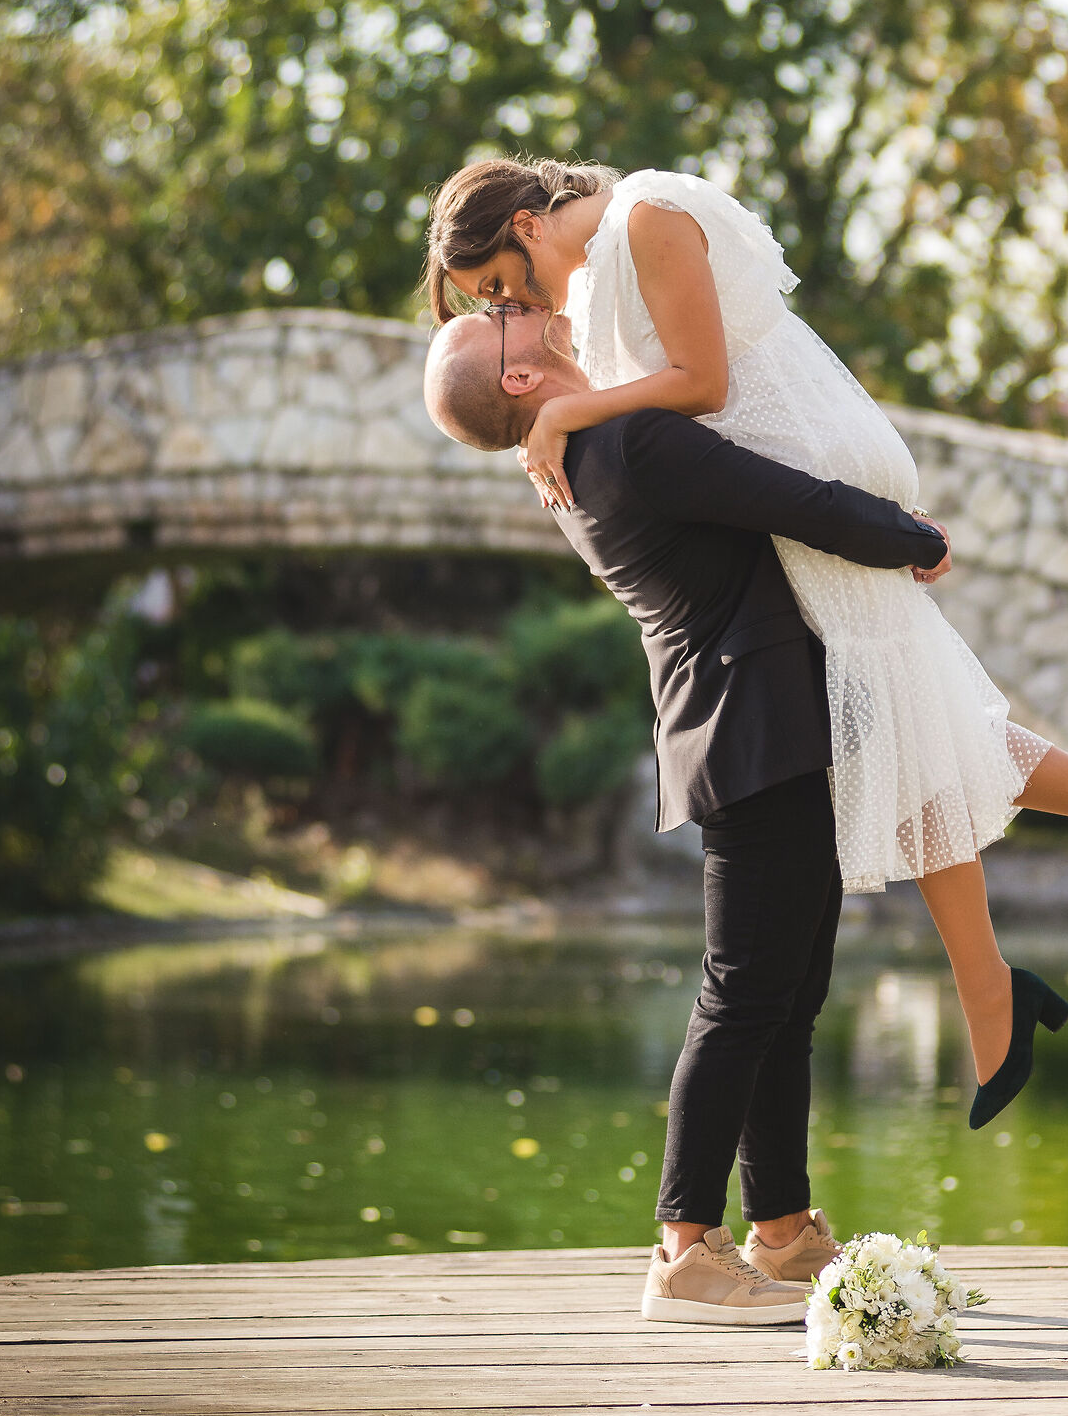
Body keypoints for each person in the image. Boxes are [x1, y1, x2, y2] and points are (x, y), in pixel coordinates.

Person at [421, 156, 1068, 1127]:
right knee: (906, 721)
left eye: (493, 288)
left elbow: (700, 383)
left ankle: (1005, 981)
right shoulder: (596, 277)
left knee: (890, 725)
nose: (506, 306)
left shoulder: (647, 219)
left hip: (800, 464)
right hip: (770, 481)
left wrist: (567, 407)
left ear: (526, 226)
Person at [424, 303, 1024, 1321]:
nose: (520, 307)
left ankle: (782, 1229)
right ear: (520, 380)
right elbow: (787, 499)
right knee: (743, 996)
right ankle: (684, 1246)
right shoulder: (623, 441)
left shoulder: (581, 451)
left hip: (765, 725)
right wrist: (907, 535)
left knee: (789, 999)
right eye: (504, 319)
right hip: (753, 729)